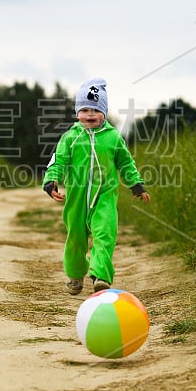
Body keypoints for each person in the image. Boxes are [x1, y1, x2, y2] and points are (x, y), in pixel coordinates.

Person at [43, 78, 151, 294]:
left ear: (104, 111)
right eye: (84, 109)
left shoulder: (113, 137)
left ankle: (100, 275)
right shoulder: (70, 137)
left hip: (105, 196)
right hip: (76, 198)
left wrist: (136, 184)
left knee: (105, 233)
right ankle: (75, 275)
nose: (89, 114)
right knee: (76, 237)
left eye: (95, 109)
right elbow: (58, 160)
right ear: (77, 112)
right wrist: (51, 180)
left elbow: (126, 162)